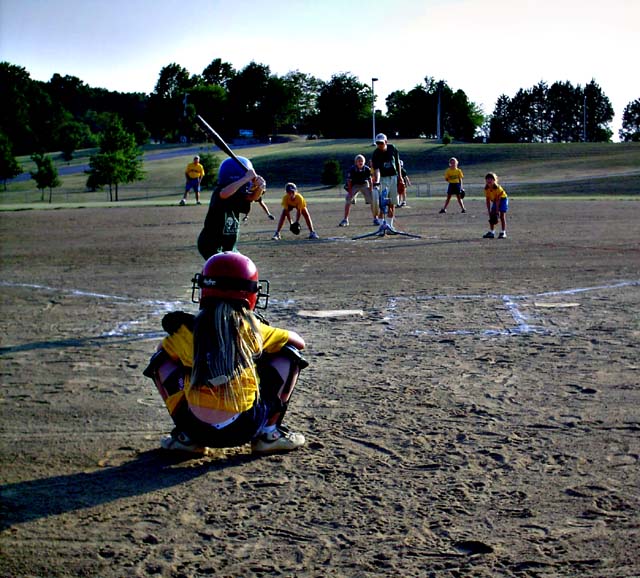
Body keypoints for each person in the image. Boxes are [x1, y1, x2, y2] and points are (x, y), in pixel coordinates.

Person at [143, 251, 308, 454]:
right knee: (288, 353)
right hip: (245, 427)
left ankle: (186, 438)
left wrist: (192, 352)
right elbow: (299, 343)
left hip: (196, 427)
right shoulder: (252, 328)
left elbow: (161, 352)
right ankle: (269, 434)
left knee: (161, 360)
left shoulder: (187, 331)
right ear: (250, 293)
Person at [197, 157, 266, 259]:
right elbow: (224, 193)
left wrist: (260, 186)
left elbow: (252, 197)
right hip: (212, 245)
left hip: (229, 248)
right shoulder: (221, 192)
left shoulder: (238, 195)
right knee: (222, 272)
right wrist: (246, 178)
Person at [370, 133, 404, 226]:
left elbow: (397, 163)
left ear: (386, 142)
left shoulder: (392, 148)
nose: (379, 145)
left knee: (392, 204)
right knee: (382, 205)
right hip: (383, 179)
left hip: (393, 177)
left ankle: (390, 226)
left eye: (381, 143)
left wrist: (400, 178)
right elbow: (377, 169)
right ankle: (382, 227)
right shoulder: (376, 153)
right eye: (378, 143)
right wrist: (377, 181)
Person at [338, 155, 374, 227]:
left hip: (364, 184)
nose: (360, 162)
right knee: (348, 199)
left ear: (364, 162)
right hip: (355, 185)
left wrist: (371, 190)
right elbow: (349, 181)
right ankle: (345, 219)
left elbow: (370, 180)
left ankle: (375, 218)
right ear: (355, 162)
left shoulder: (367, 169)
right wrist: (350, 192)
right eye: (358, 161)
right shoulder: (352, 169)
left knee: (372, 200)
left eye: (362, 161)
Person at [483, 172, 509, 238]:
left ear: (494, 180)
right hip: (495, 201)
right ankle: (492, 232)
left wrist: (497, 212)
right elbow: (487, 200)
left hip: (503, 200)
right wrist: (489, 211)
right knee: (492, 216)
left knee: (502, 216)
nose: (489, 180)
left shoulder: (498, 188)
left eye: (491, 179)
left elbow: (498, 200)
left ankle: (503, 232)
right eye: (487, 179)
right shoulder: (486, 189)